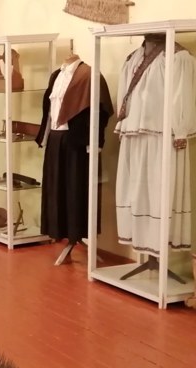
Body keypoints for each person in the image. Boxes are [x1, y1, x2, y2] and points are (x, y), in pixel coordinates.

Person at [115, 34, 196, 258]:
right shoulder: (132, 58)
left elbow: (183, 96)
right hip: (134, 134)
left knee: (161, 190)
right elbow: (124, 95)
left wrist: (180, 130)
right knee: (135, 191)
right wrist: (124, 125)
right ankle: (144, 245)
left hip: (163, 136)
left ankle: (159, 249)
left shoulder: (179, 57)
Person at [35, 55, 114, 263]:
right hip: (55, 140)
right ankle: (63, 234)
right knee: (56, 189)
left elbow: (101, 111)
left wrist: (94, 142)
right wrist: (45, 137)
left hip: (78, 143)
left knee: (77, 190)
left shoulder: (90, 75)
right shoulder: (56, 75)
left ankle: (77, 234)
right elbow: (49, 112)